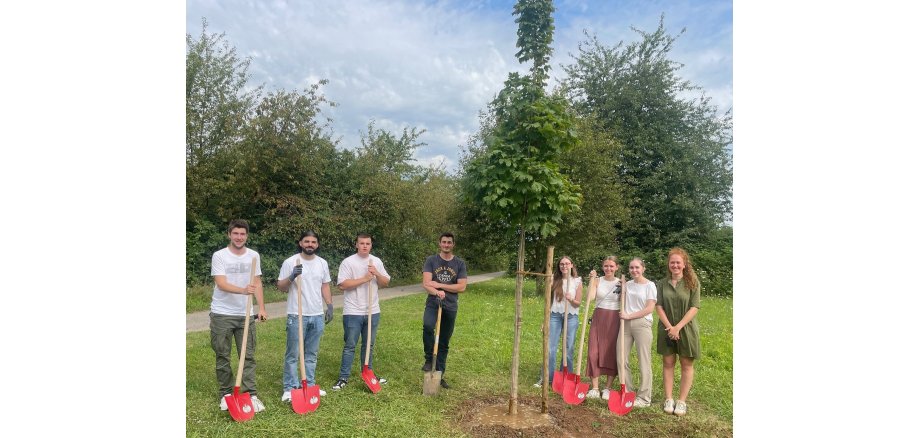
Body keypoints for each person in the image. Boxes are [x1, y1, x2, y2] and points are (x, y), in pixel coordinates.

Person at [209, 219, 267, 412]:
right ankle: (226, 394)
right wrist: (243, 291)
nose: (239, 237)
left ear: (247, 236)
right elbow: (221, 283)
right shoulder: (220, 256)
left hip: (246, 314)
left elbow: (257, 282)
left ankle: (251, 394)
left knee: (248, 356)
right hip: (222, 313)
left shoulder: (253, 256)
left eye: (243, 234)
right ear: (229, 235)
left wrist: (262, 308)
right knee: (223, 355)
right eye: (236, 234)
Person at [276, 231, 335, 401]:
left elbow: (325, 285)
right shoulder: (291, 262)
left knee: (311, 354)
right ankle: (289, 388)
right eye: (307, 241)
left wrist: (329, 305)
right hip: (297, 314)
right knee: (293, 353)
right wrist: (292, 276)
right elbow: (281, 286)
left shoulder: (322, 263)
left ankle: (309, 384)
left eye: (313, 242)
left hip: (316, 315)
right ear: (300, 243)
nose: (310, 244)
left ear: (317, 244)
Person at [332, 233, 391, 391]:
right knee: (350, 345)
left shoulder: (376, 261)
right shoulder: (348, 262)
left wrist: (376, 273)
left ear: (371, 245)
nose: (365, 246)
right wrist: (365, 278)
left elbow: (386, 282)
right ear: (356, 244)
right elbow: (342, 285)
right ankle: (343, 377)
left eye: (368, 243)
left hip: (373, 310)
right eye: (362, 243)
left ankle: (368, 373)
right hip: (353, 311)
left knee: (368, 345)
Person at [656, 247, 701, 417]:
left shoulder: (693, 283)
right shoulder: (661, 283)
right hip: (666, 328)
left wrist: (678, 327)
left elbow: (694, 307)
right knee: (668, 364)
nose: (675, 265)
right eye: (672, 262)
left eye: (678, 262)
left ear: (684, 265)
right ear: (669, 265)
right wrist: (670, 327)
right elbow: (658, 305)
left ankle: (681, 401)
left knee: (686, 365)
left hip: (686, 329)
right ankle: (669, 398)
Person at [420, 232, 468, 390]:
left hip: (451, 305)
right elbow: (426, 283)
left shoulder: (459, 264)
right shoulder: (431, 260)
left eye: (449, 242)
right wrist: (436, 292)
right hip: (433, 302)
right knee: (428, 327)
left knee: (444, 341)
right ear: (439, 243)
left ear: (453, 244)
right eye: (444, 242)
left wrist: (440, 286)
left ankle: (439, 373)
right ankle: (428, 359)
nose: (446, 245)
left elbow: (461, 287)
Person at [534, 256, 583, 388]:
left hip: (571, 317)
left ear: (572, 265)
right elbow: (548, 302)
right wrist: (545, 321)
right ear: (559, 266)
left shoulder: (577, 281)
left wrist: (571, 299)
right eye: (562, 264)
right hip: (554, 316)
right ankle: (546, 378)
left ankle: (565, 378)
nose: (564, 266)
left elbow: (578, 304)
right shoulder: (553, 280)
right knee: (550, 348)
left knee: (568, 348)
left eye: (567, 263)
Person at [618, 258, 658, 407]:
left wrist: (629, 315)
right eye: (631, 268)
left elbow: (649, 308)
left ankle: (644, 397)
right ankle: (627, 391)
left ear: (643, 268)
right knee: (621, 358)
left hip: (642, 323)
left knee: (644, 360)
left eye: (637, 267)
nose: (634, 270)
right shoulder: (626, 285)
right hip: (625, 324)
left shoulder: (650, 285)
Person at [585, 256, 622, 400]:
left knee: (611, 352)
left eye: (611, 266)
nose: (608, 269)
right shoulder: (597, 281)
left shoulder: (621, 282)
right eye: (606, 266)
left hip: (614, 318)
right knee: (593, 351)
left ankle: (607, 388)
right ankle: (594, 387)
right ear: (602, 267)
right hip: (599, 316)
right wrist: (591, 281)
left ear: (616, 267)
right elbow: (590, 298)